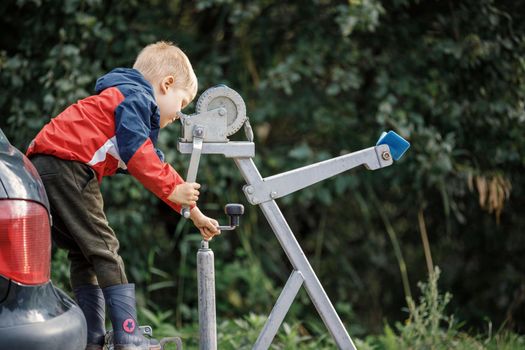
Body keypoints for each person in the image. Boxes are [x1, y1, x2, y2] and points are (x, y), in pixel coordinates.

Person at [27, 41, 220, 350]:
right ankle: (128, 335)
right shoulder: (138, 99)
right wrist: (173, 189)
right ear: (166, 84)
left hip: (44, 166)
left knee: (83, 251)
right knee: (105, 249)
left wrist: (193, 213)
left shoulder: (117, 99)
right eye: (181, 103)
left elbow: (152, 164)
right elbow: (139, 155)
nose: (178, 115)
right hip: (71, 166)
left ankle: (92, 336)